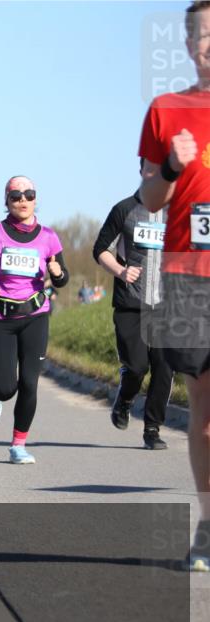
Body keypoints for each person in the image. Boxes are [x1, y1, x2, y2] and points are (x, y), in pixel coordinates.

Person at [136, 0, 210, 572]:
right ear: (189, 45)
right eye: (205, 36)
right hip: (190, 279)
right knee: (205, 416)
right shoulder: (166, 110)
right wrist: (171, 169)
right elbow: (149, 202)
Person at [0, 176, 70, 464]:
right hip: (0, 318)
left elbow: (62, 279)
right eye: (15, 195)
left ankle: (18, 445)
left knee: (30, 384)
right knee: (7, 386)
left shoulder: (49, 237)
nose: (22, 200)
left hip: (35, 315)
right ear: (6, 201)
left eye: (29, 194)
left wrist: (57, 273)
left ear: (36, 199)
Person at [92, 183, 174, 450]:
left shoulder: (179, 211)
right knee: (138, 367)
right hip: (131, 303)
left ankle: (152, 429)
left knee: (164, 366)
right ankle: (125, 400)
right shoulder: (124, 209)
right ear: (143, 171)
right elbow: (101, 249)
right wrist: (120, 270)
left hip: (167, 304)